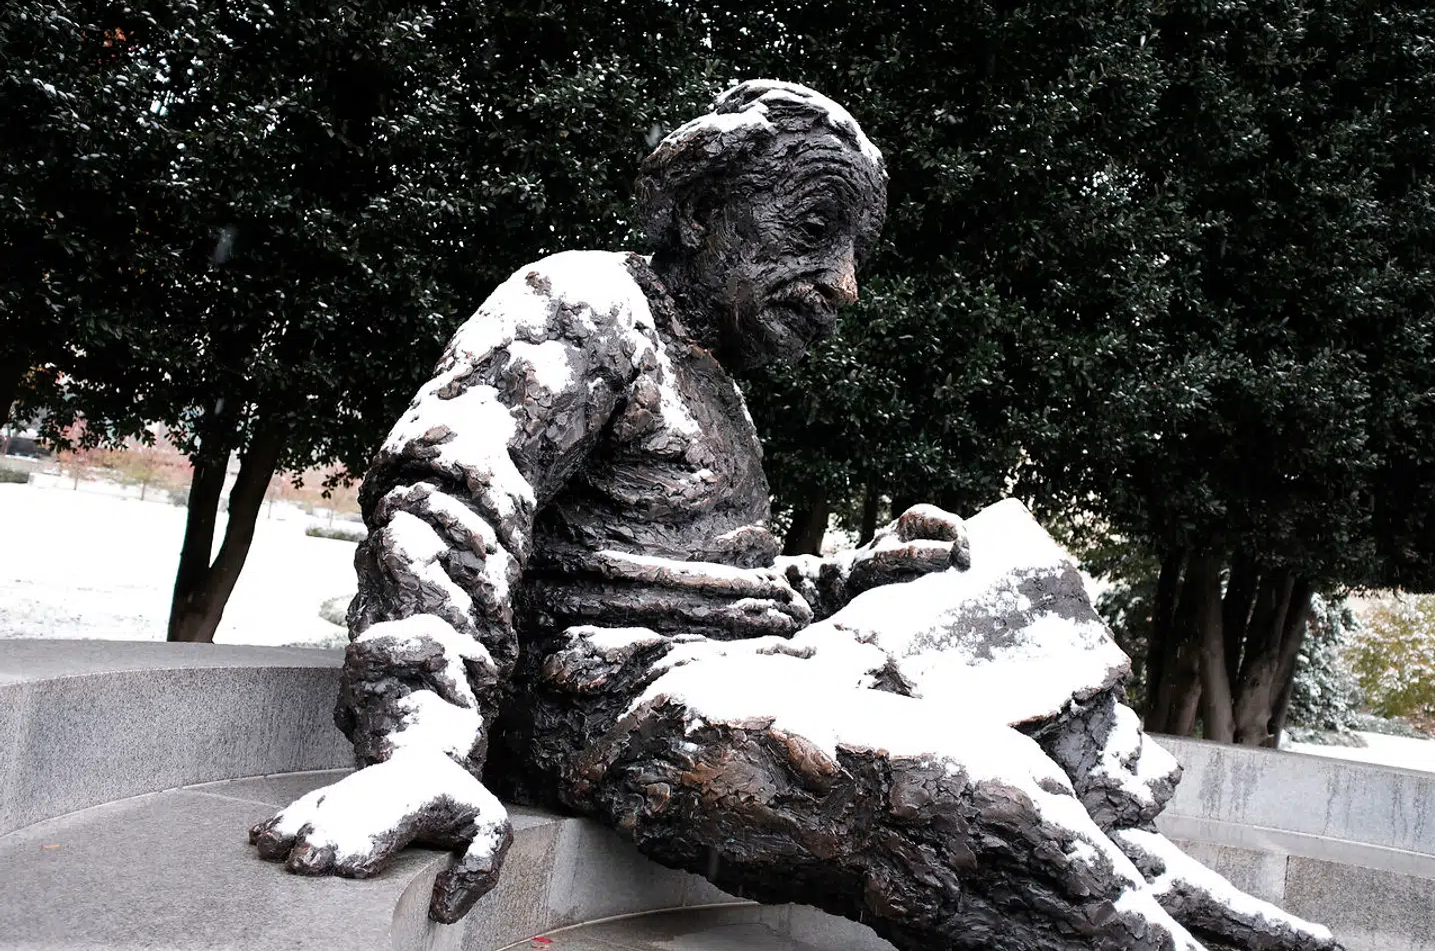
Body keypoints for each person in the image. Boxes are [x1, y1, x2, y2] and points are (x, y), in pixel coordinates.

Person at [249, 82, 1339, 951]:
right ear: (698, 210)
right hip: (611, 700)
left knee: (1010, 596)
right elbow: (446, 504)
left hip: (729, 662)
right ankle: (1104, 881)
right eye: (815, 230)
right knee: (980, 791)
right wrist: (424, 743)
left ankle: (1132, 863)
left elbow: (701, 581)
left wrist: (853, 577)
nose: (845, 285)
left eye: (852, 251)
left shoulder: (714, 378)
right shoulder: (585, 300)